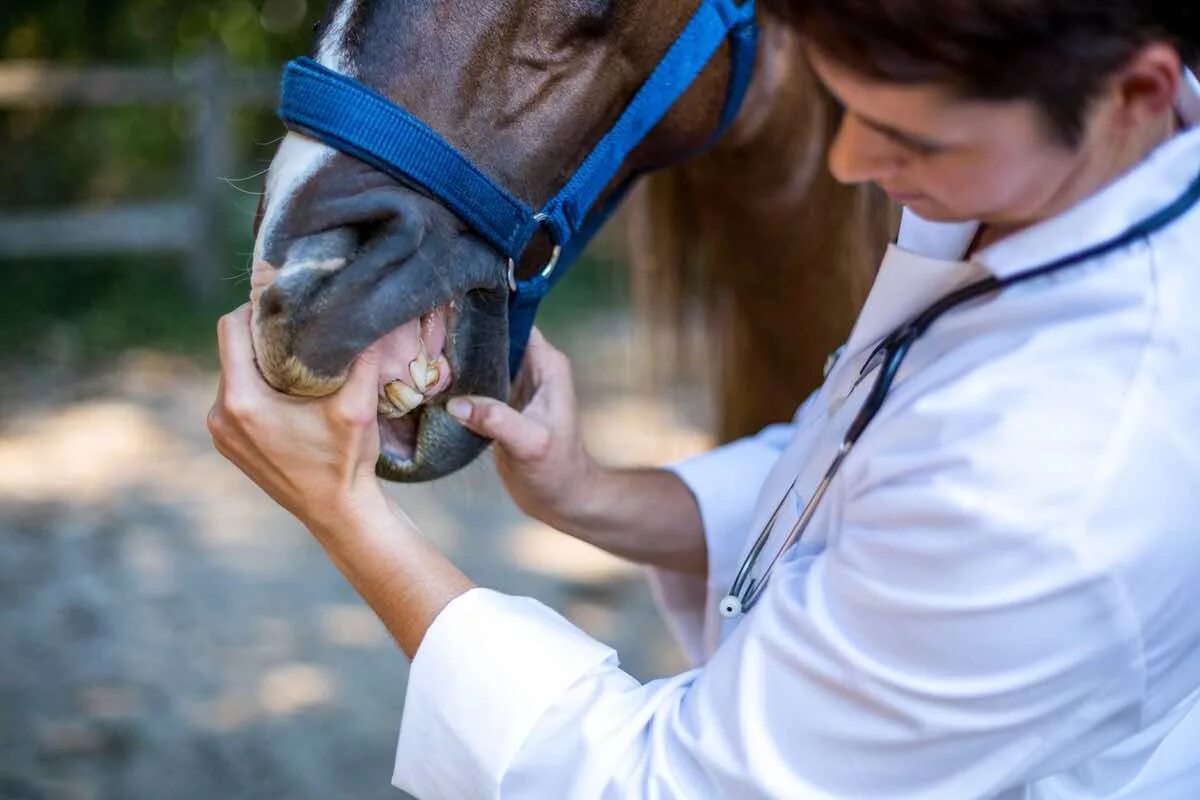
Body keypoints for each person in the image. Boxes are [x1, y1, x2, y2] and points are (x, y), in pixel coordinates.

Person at [208, 1, 1200, 797]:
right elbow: (881, 467)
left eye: (908, 138)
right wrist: (591, 493)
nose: (850, 164)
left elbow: (660, 780)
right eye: (842, 106)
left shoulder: (1071, 474)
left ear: (1137, 91)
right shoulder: (1065, 192)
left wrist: (347, 517)